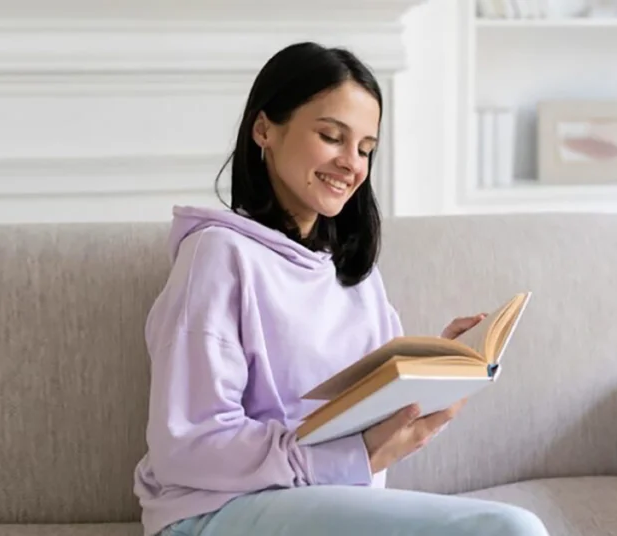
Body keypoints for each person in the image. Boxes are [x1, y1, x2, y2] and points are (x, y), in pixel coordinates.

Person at [132, 41, 549, 536]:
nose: (351, 163)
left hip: (327, 508)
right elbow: (188, 445)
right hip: (216, 514)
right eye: (332, 136)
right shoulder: (220, 256)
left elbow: (370, 423)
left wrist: (440, 371)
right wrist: (345, 459)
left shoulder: (358, 275)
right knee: (507, 529)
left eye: (366, 149)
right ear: (263, 129)